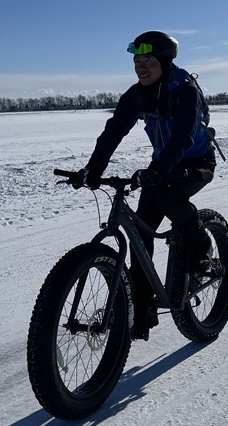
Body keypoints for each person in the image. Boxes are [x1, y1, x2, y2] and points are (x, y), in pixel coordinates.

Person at [70, 31, 217, 341]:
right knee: (141, 228)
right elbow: (114, 131)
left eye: (148, 61)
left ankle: (202, 247)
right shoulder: (137, 94)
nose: (141, 67)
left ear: (164, 62)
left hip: (196, 161)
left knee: (169, 199)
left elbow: (183, 136)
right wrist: (94, 168)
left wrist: (158, 170)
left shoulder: (184, 90)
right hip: (162, 165)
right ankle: (142, 307)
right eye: (137, 61)